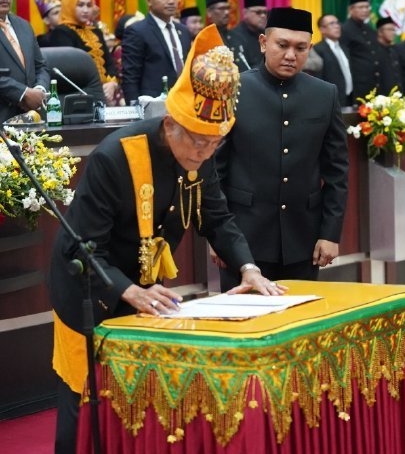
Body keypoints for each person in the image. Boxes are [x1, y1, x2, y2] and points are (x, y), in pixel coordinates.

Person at [48, 24, 286, 454]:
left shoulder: (200, 153)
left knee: (139, 401)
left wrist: (248, 267)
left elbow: (217, 218)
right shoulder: (115, 157)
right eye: (198, 142)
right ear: (171, 124)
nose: (205, 153)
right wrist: (127, 291)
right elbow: (80, 247)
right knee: (87, 404)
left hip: (146, 292)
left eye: (215, 145)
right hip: (93, 291)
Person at [215, 7, 349, 289]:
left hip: (304, 238)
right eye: (282, 45)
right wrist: (219, 237)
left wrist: (330, 233)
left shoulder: (324, 94)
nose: (291, 55)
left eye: (301, 48)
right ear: (264, 43)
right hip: (244, 238)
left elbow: (337, 171)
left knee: (302, 314)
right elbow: (215, 172)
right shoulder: (234, 89)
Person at [121, 0, 191, 105]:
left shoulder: (184, 31)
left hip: (184, 102)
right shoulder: (137, 31)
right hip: (153, 105)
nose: (171, 1)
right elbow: (130, 77)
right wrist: (134, 109)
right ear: (149, 0)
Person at [48, 0, 120, 106]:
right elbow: (70, 69)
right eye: (80, 5)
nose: (85, 10)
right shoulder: (61, 33)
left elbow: (109, 62)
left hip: (105, 93)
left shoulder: (96, 32)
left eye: (89, 5)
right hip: (79, 95)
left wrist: (112, 84)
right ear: (69, 6)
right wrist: (97, 89)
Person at [0, 0, 50, 122]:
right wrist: (23, 93)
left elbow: (41, 66)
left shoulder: (24, 26)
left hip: (32, 118)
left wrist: (39, 90)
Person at [341, 0, 386, 102]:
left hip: (375, 84)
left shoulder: (369, 29)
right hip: (357, 86)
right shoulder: (344, 30)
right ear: (351, 10)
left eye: (367, 7)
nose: (365, 10)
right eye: (361, 7)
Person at [305, 13, 353, 106]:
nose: (337, 26)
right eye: (332, 23)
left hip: (349, 99)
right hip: (330, 100)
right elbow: (318, 79)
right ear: (322, 29)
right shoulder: (317, 49)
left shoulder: (345, 48)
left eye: (337, 23)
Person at [205, 0, 249, 73]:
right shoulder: (205, 38)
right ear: (209, 12)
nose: (227, 12)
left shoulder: (237, 36)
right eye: (221, 9)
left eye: (228, 8)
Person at [229, 0, 267, 71]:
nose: (263, 16)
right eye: (258, 12)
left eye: (265, 12)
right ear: (245, 13)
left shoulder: (266, 34)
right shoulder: (235, 36)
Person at [375, 16, 402, 95]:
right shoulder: (374, 52)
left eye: (394, 30)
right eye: (389, 29)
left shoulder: (395, 51)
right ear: (380, 32)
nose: (393, 33)